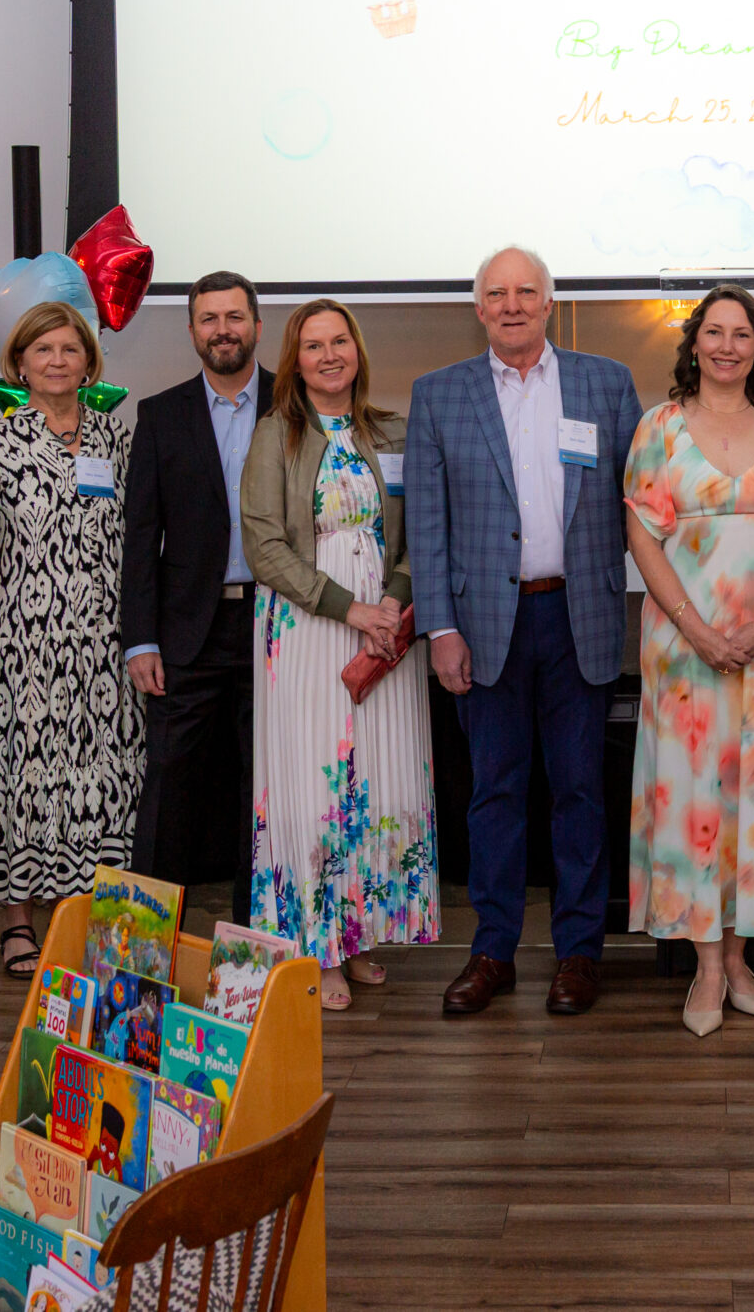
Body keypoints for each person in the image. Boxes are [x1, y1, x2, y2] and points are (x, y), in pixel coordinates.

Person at [407, 246, 643, 1017]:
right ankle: (493, 949)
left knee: (580, 790)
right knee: (495, 792)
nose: (512, 305)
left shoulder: (606, 383)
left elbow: (642, 500)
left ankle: (579, 951)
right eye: (497, 293)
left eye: (526, 291)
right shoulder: (438, 394)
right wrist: (440, 627)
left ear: (549, 302)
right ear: (479, 308)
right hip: (483, 626)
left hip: (581, 617)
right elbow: (428, 527)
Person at [624, 286, 754, 1037]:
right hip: (686, 652)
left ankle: (741, 958)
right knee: (694, 801)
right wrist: (698, 630)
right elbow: (641, 534)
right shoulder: (659, 427)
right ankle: (706, 966)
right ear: (694, 344)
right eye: (714, 332)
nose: (726, 346)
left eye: (742, 334)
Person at [241, 299, 434, 1012]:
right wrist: (349, 608)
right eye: (313, 345)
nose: (329, 355)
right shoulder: (275, 435)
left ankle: (358, 933)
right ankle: (315, 946)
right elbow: (263, 545)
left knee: (379, 779)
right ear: (295, 361)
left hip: (385, 632)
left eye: (339, 341)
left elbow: (419, 531)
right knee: (318, 783)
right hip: (309, 628)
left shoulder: (392, 431)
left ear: (357, 349)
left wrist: (391, 604)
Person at [0, 302, 144, 980]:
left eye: (70, 348)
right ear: (19, 364)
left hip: (105, 645)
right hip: (18, 647)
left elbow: (140, 537)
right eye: (43, 350)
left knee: (106, 779)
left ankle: (98, 921)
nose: (58, 361)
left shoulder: (120, 441)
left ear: (89, 361)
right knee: (20, 778)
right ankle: (18, 922)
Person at [122, 271, 273, 909]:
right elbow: (140, 535)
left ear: (256, 326)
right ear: (191, 331)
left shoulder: (293, 404)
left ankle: (256, 939)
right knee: (167, 788)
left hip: (276, 625)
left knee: (265, 791)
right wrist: (140, 640)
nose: (222, 330)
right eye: (209, 319)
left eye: (234, 317)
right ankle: (139, 944)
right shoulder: (160, 415)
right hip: (186, 632)